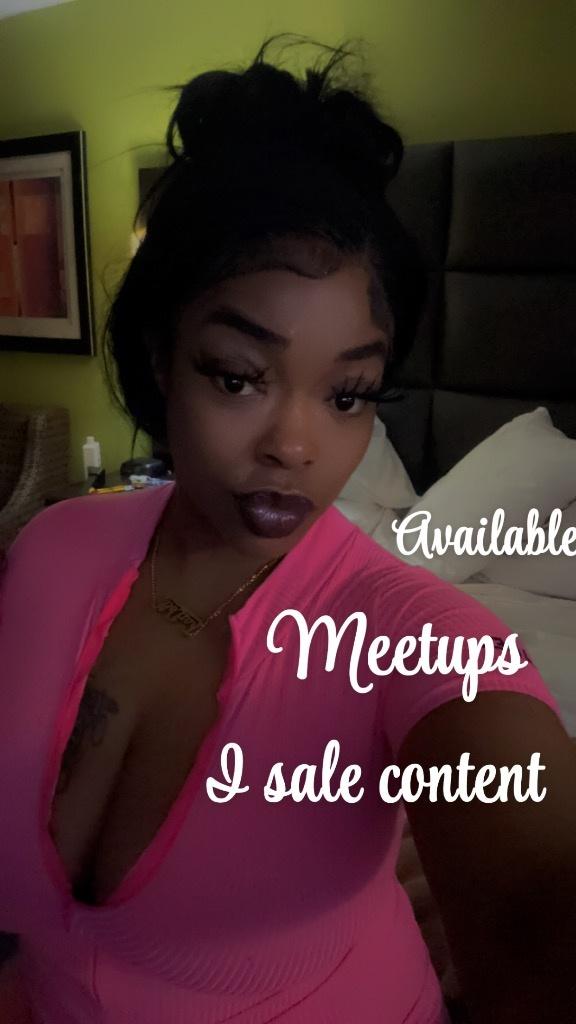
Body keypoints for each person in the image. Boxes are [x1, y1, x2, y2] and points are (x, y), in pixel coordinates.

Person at [1, 34, 576, 1024]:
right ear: (160, 355)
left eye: (349, 394)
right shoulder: (52, 548)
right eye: (239, 376)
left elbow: (538, 897)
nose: (296, 448)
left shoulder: (417, 632)